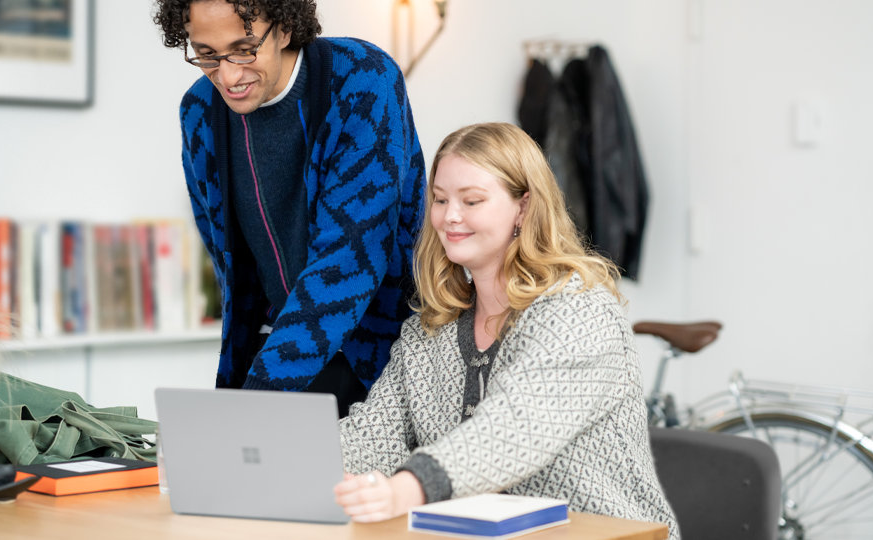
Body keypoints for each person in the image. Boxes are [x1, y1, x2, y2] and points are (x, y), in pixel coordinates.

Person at [332, 123, 680, 538]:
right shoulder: (429, 332)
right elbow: (372, 437)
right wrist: (306, 469)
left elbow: (516, 427)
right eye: (440, 200)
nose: (450, 217)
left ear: (524, 207)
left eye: (472, 200)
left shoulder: (580, 310)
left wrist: (409, 488)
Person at [152, 0, 425, 416]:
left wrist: (260, 394)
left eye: (244, 48)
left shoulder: (363, 78)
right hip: (275, 343)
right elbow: (226, 254)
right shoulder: (200, 112)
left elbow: (349, 260)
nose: (227, 75)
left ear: (283, 29)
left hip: (379, 348)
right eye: (206, 54)